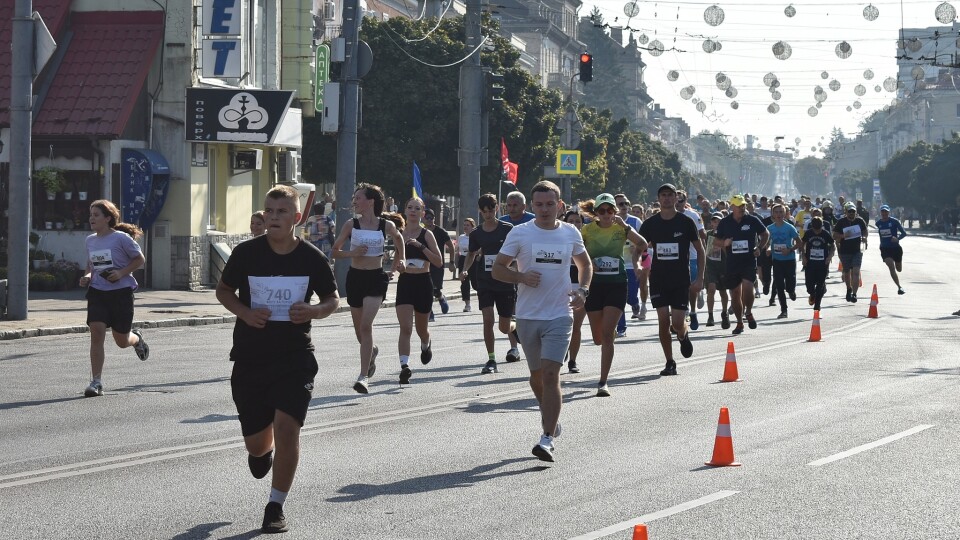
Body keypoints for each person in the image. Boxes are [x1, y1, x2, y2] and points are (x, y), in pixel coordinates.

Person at [215, 185, 339, 534]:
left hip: (294, 357)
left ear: (297, 218)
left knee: (288, 429)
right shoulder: (246, 253)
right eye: (269, 211)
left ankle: (275, 506)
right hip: (251, 357)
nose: (273, 216)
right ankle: (260, 451)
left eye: (282, 211)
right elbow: (223, 291)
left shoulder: (311, 257)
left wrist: (313, 311)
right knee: (258, 443)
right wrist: (244, 312)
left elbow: (333, 300)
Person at [492, 181, 592, 462]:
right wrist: (521, 277)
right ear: (532, 206)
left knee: (551, 374)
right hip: (527, 315)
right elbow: (498, 270)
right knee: (536, 376)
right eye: (539, 204)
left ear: (560, 206)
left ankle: (546, 439)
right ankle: (550, 415)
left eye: (550, 204)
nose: (545, 209)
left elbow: (585, 265)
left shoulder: (570, 232)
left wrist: (582, 290)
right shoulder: (520, 233)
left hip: (560, 314)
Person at [331, 183, 405, 393]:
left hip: (375, 279)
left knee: (366, 326)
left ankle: (363, 377)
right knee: (360, 333)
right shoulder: (350, 224)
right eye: (354, 199)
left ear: (370, 201)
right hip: (355, 278)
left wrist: (400, 262)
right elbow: (335, 252)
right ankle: (371, 351)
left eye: (358, 198)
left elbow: (400, 240)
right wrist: (352, 253)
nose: (354, 202)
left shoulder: (385, 225)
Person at [79, 200, 149, 398]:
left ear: (107, 218)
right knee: (97, 333)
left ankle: (136, 339)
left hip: (121, 293)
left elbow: (139, 259)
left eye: (96, 215)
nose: (91, 218)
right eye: (91, 214)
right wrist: (87, 276)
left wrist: (121, 273)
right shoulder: (90, 240)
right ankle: (96, 382)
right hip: (97, 293)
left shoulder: (121, 239)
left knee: (121, 340)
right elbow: (91, 265)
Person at [581, 193, 647, 396]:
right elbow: (576, 253)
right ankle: (607, 338)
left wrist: (627, 228)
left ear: (615, 211)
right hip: (594, 286)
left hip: (617, 284)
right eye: (602, 211)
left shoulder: (622, 228)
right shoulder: (587, 230)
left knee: (608, 335)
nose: (607, 214)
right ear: (596, 213)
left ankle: (603, 382)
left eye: (610, 210)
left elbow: (643, 245)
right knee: (598, 338)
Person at [638, 183, 704, 377]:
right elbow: (639, 247)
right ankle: (669, 361)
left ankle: (683, 335)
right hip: (658, 279)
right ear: (658, 199)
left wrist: (699, 278)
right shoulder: (650, 224)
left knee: (676, 323)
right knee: (662, 320)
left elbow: (700, 250)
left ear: (676, 198)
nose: (666, 198)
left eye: (670, 195)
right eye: (663, 195)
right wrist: (639, 264)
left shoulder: (685, 222)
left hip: (680, 279)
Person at [462, 194, 521, 374]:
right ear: (480, 212)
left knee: (504, 327)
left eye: (491, 210)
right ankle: (491, 359)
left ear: (497, 209)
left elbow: (518, 252)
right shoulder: (476, 233)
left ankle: (515, 326)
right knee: (488, 319)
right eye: (484, 211)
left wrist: (516, 270)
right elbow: (471, 254)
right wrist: (464, 270)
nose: (488, 214)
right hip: (485, 281)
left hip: (505, 281)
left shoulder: (507, 228)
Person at [395, 198, 443, 384]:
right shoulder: (400, 233)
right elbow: (398, 259)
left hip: (423, 282)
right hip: (405, 281)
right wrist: (394, 270)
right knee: (405, 327)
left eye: (417, 208)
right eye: (410, 207)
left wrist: (420, 246)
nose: (413, 211)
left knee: (421, 329)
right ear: (405, 211)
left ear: (422, 212)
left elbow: (438, 261)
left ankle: (425, 342)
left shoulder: (427, 234)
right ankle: (405, 366)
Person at [716, 194, 769, 335]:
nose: (742, 208)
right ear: (732, 207)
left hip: (748, 261)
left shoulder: (752, 220)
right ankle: (739, 322)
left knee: (748, 287)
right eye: (739, 206)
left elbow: (765, 234)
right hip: (732, 262)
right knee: (735, 294)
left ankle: (749, 312)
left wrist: (759, 248)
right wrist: (724, 243)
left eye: (744, 205)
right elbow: (715, 241)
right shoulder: (724, 222)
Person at [675, 190, 707, 330]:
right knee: (677, 287)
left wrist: (703, 254)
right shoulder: (667, 216)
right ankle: (683, 311)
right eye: (676, 200)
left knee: (691, 287)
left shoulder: (692, 215)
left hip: (692, 256)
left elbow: (702, 235)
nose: (678, 203)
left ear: (686, 201)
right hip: (674, 258)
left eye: (681, 201)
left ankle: (692, 311)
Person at [766, 204, 802, 319]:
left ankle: (791, 291)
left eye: (781, 212)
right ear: (773, 214)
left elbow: (799, 243)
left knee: (789, 285)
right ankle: (784, 310)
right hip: (777, 260)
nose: (778, 214)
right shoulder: (770, 228)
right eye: (776, 212)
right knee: (779, 286)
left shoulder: (789, 227)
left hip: (789, 260)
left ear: (785, 213)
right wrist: (768, 249)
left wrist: (790, 249)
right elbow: (767, 243)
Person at [614, 193, 643, 333]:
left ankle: (635, 303)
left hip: (631, 265)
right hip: (616, 266)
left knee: (630, 297)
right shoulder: (609, 223)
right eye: (620, 204)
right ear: (614, 207)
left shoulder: (635, 221)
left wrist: (637, 248)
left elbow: (645, 243)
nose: (624, 206)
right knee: (619, 299)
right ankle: (621, 328)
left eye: (626, 203)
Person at [562, 210, 586, 373]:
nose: (575, 224)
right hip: (561, 286)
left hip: (579, 286)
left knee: (575, 325)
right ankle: (560, 352)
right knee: (560, 323)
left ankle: (573, 361)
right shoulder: (558, 237)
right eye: (571, 221)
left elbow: (589, 264)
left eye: (578, 221)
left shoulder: (587, 240)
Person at [833, 202, 868, 303]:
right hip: (845, 251)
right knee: (847, 272)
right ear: (846, 212)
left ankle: (854, 294)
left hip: (857, 250)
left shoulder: (860, 221)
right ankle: (849, 288)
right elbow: (834, 235)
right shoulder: (841, 222)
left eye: (853, 211)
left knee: (856, 272)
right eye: (849, 211)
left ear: (855, 212)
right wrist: (843, 236)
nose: (851, 213)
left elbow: (865, 231)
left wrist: (864, 237)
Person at [423, 208, 455, 319]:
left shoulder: (441, 232)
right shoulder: (420, 231)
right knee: (427, 290)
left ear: (434, 219)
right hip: (424, 265)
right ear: (423, 219)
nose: (429, 220)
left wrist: (452, 262)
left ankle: (441, 297)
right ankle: (429, 313)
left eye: (431, 218)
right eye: (427, 218)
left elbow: (451, 246)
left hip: (437, 264)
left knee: (435, 290)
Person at [802, 217, 834, 311]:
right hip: (810, 263)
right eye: (815, 229)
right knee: (809, 286)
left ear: (821, 226)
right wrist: (803, 256)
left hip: (822, 263)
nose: (817, 231)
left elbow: (833, 245)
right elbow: (802, 244)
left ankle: (817, 305)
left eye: (819, 229)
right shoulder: (808, 233)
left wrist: (829, 257)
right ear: (812, 227)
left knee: (820, 284)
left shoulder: (825, 234)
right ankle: (812, 294)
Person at [703, 213, 729, 328]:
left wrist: (722, 246)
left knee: (723, 292)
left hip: (723, 267)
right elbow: (704, 250)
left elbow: (728, 252)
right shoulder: (708, 235)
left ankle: (724, 312)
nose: (715, 224)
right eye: (714, 221)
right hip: (710, 266)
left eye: (718, 221)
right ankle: (710, 315)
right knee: (711, 289)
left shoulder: (725, 235)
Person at [875, 204, 907, 295]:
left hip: (896, 248)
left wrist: (897, 239)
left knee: (899, 269)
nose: (884, 213)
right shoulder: (878, 223)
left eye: (886, 211)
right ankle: (899, 287)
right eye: (882, 211)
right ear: (880, 212)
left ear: (889, 212)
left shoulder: (894, 221)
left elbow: (904, 233)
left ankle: (898, 262)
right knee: (891, 267)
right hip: (885, 249)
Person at [456, 218, 477, 311]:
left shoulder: (476, 236)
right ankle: (467, 304)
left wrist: (476, 253)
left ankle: (484, 300)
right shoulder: (461, 237)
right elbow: (458, 250)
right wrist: (455, 262)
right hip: (463, 259)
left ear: (472, 227)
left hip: (474, 259)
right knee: (464, 282)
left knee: (476, 283)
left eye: (467, 225)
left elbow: (480, 249)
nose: (465, 227)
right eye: (464, 225)